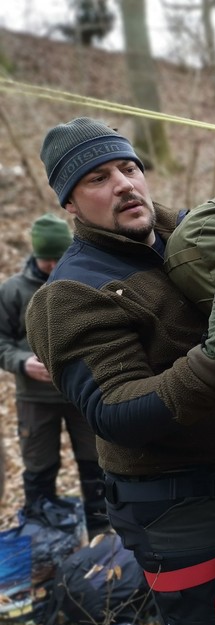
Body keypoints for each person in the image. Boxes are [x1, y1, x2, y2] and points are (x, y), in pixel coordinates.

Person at [25, 117, 215, 625]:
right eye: (98, 178)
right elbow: (115, 411)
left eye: (129, 167)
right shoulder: (68, 295)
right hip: (172, 507)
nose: (124, 184)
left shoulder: (186, 234)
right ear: (69, 203)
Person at [0, 213, 107, 536]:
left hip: (81, 393)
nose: (51, 265)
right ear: (35, 254)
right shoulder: (13, 291)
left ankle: (103, 534)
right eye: (45, 258)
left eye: (57, 257)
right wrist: (22, 362)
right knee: (39, 468)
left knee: (96, 463)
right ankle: (43, 536)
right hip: (35, 398)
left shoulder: (83, 281)